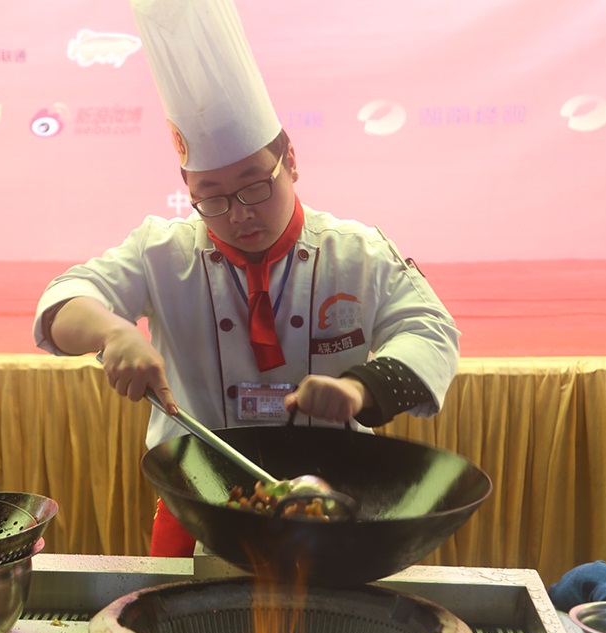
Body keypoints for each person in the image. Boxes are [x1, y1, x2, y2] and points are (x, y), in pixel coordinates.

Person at [34, 0, 460, 557]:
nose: (238, 214)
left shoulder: (356, 252)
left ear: (291, 161)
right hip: (198, 503)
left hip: (328, 502)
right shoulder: (162, 252)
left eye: (255, 186)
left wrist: (359, 388)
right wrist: (112, 332)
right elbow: (63, 301)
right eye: (211, 197)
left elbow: (431, 332)